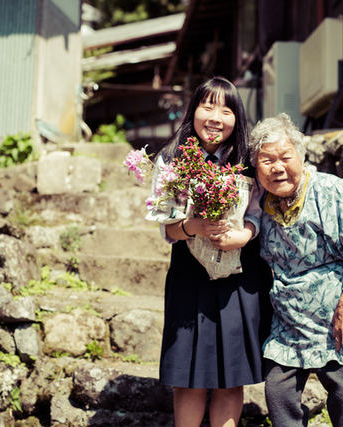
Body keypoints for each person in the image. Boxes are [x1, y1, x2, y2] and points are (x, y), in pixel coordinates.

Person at [246, 113, 343, 427]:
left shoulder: (334, 193)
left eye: (285, 157)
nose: (277, 167)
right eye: (266, 160)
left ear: (301, 156)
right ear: (256, 167)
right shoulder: (261, 207)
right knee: (279, 395)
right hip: (290, 325)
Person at [147, 76, 272, 427]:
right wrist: (195, 227)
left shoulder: (247, 160)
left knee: (231, 375)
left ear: (237, 118)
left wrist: (244, 235)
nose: (216, 117)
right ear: (193, 111)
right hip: (190, 274)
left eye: (226, 109)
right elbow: (165, 226)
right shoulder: (172, 160)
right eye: (208, 106)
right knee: (190, 376)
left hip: (240, 277)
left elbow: (258, 215)